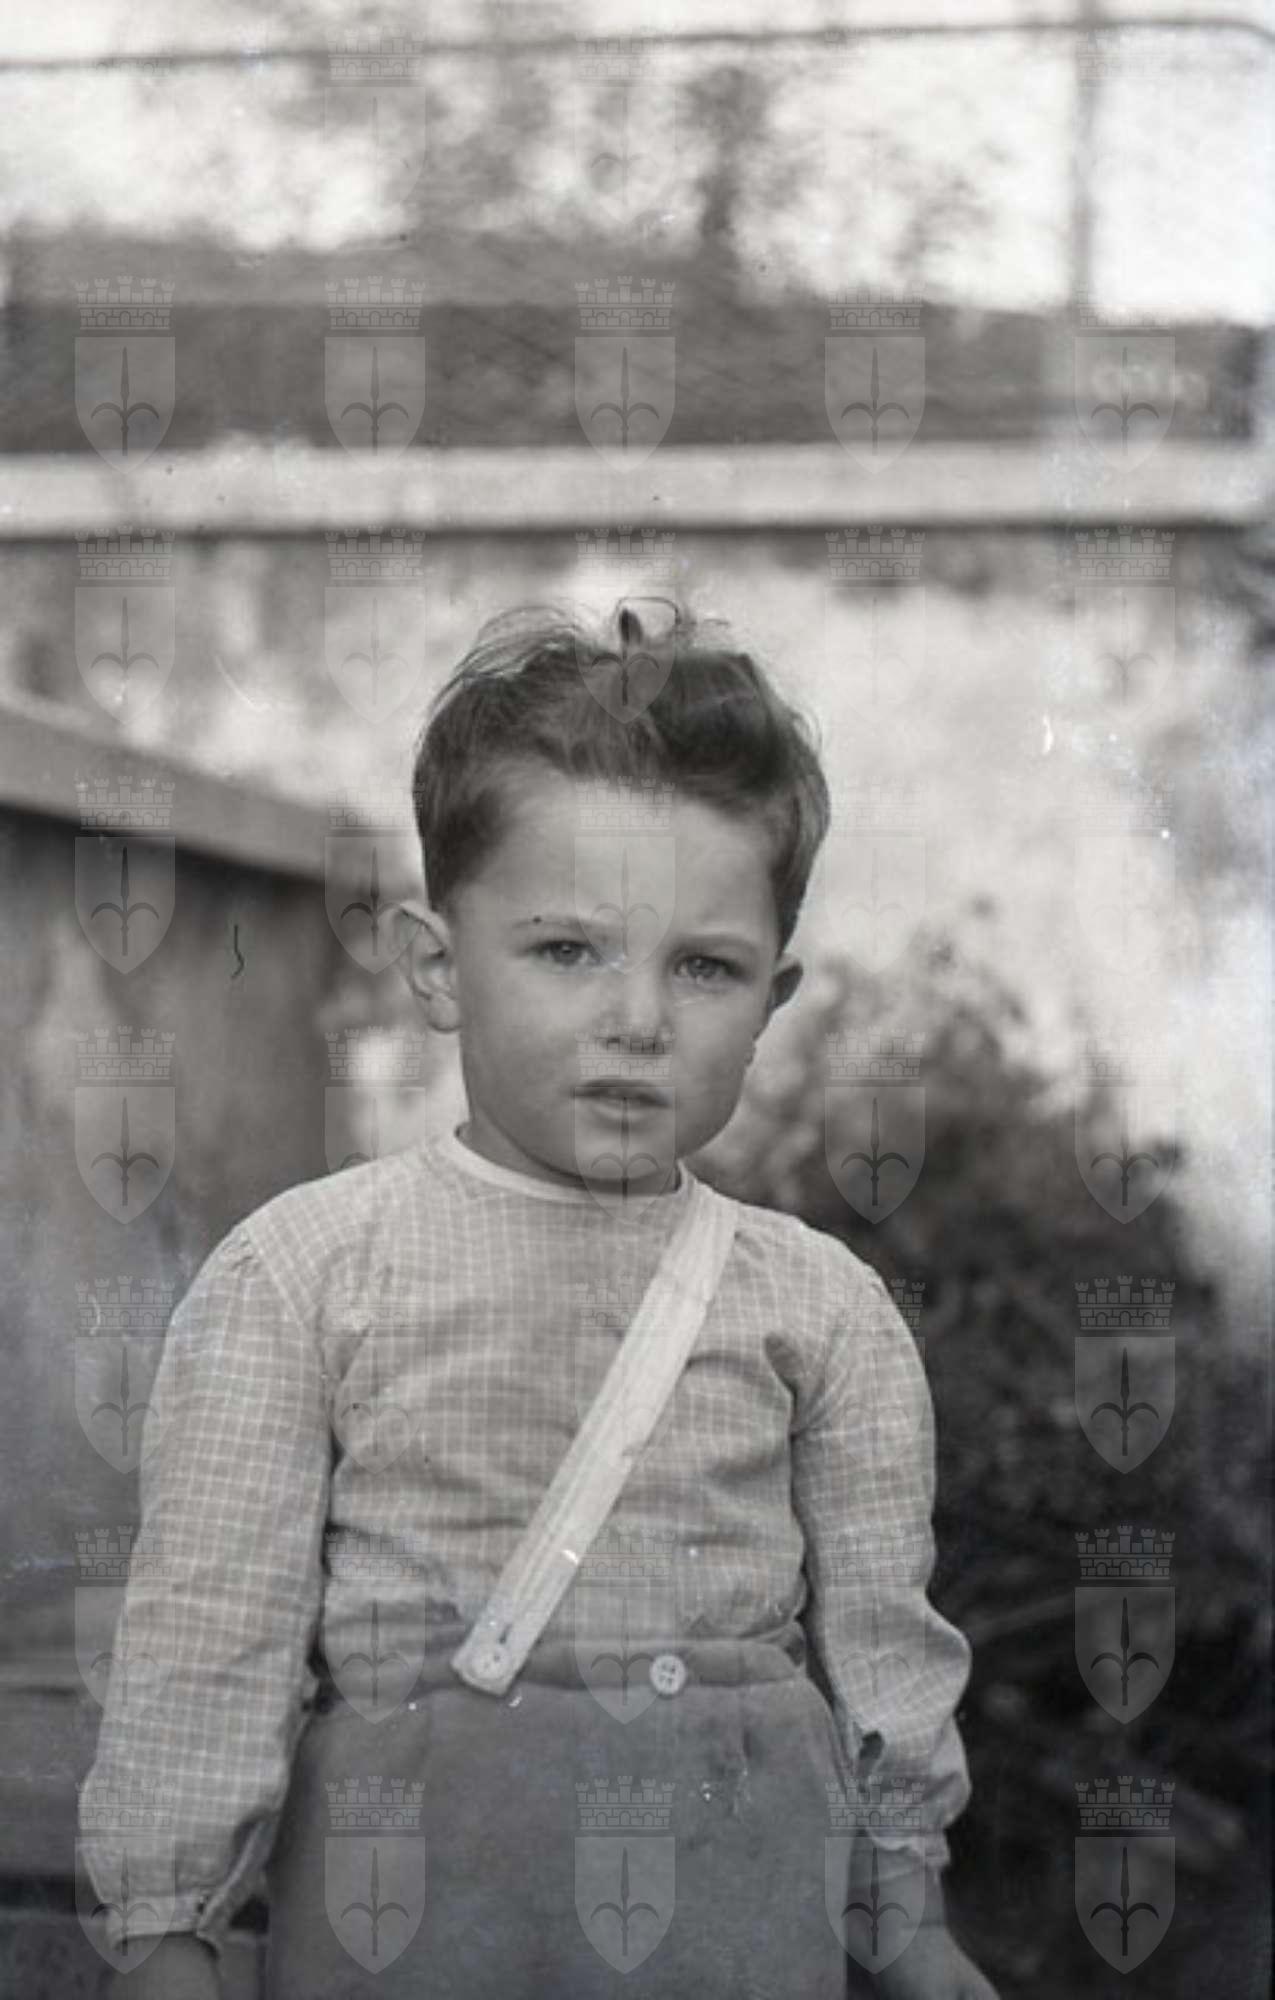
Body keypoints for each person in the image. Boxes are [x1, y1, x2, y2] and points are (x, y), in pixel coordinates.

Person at [82, 604, 999, 1998]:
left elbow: (885, 1645)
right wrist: (167, 1936)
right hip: (418, 1917)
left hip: (733, 1913)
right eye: (568, 951)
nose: (638, 1019)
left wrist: (911, 1919)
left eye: (703, 967)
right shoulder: (305, 1273)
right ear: (438, 967)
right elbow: (208, 1639)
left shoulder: (822, 1309)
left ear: (772, 999)